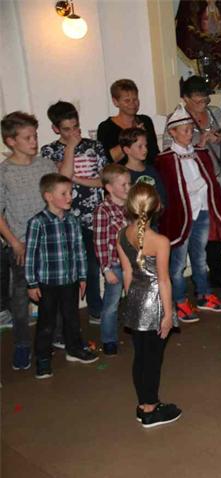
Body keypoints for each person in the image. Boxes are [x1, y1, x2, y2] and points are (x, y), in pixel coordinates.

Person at [155, 104, 221, 323]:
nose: (190, 134)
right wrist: (199, 185)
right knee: (178, 264)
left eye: (191, 129)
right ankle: (179, 301)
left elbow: (210, 180)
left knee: (200, 257)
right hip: (181, 217)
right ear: (172, 132)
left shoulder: (199, 153)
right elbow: (172, 191)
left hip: (202, 212)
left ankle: (204, 294)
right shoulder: (165, 159)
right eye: (185, 130)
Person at [116, 183, 182, 428]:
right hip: (155, 303)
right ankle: (151, 409)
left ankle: (143, 404)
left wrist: (131, 303)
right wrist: (168, 314)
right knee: (153, 358)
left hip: (135, 299)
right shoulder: (160, 241)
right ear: (157, 207)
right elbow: (163, 280)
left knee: (141, 356)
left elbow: (127, 272)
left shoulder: (122, 234)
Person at [0, 112, 59, 371]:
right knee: (20, 299)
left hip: (50, 242)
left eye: (35, 136)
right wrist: (14, 242)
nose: (34, 141)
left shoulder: (46, 165)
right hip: (22, 245)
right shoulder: (4, 172)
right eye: (27, 138)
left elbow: (58, 199)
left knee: (54, 292)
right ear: (11, 141)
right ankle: (22, 345)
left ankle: (57, 334)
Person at [25, 173, 99, 379]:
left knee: (72, 317)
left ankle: (74, 348)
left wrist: (82, 277)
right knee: (46, 322)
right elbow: (30, 255)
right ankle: (43, 359)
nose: (69, 197)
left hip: (70, 280)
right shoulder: (38, 223)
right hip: (47, 283)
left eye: (70, 192)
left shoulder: (73, 220)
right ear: (49, 196)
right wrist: (31, 283)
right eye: (64, 193)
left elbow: (79, 250)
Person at [41, 101, 107, 325]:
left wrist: (77, 179)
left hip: (93, 216)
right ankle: (68, 316)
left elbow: (104, 181)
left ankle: (96, 308)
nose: (73, 133)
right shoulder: (49, 151)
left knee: (94, 266)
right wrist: (70, 148)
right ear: (55, 129)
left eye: (75, 127)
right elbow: (60, 180)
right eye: (66, 129)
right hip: (65, 219)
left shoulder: (94, 146)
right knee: (70, 268)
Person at [163, 76, 221, 290]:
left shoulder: (214, 112)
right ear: (185, 98)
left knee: (216, 232)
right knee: (192, 239)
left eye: (205, 98)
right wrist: (199, 142)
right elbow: (168, 152)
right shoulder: (176, 119)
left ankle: (216, 274)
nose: (203, 103)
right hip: (191, 187)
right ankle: (193, 285)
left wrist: (218, 139)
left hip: (216, 178)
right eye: (198, 99)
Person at [93, 164, 131, 356]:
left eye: (129, 183)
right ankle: (109, 339)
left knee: (137, 299)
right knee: (111, 305)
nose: (128, 188)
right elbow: (100, 242)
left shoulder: (132, 205)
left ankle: (141, 331)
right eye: (123, 184)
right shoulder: (103, 210)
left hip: (133, 263)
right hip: (115, 264)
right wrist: (106, 268)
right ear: (109, 187)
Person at [97, 79, 160, 165]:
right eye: (127, 100)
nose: (132, 103)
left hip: (147, 171)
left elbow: (154, 154)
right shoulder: (106, 127)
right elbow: (107, 160)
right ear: (115, 102)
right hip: (121, 173)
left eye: (135, 99)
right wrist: (132, 137)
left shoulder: (145, 121)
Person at [120, 128, 167, 206]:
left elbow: (162, 195)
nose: (145, 150)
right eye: (140, 146)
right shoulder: (123, 175)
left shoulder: (152, 170)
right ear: (127, 150)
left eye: (146, 145)